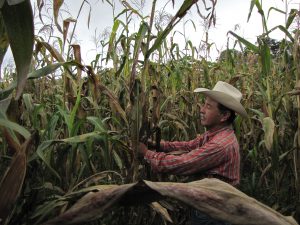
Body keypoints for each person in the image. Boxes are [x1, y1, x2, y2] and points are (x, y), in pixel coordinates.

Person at [138, 81, 248, 225]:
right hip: (211, 206)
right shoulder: (216, 133)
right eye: (204, 104)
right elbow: (190, 146)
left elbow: (183, 163)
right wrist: (157, 144)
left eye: (208, 107)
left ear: (224, 115)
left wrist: (146, 153)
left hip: (213, 212)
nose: (201, 110)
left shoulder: (220, 145)